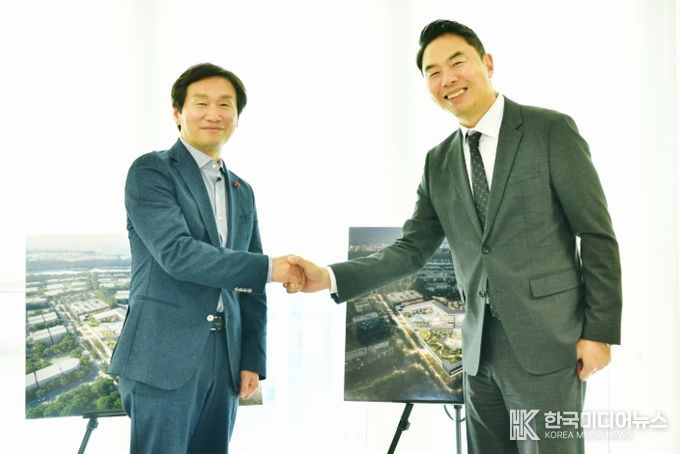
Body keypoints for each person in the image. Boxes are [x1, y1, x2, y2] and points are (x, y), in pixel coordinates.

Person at [288, 20, 622, 453]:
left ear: (487, 63)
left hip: (548, 348)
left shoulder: (550, 131)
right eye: (433, 72)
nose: (447, 78)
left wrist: (598, 333)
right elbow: (411, 250)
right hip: (478, 357)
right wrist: (330, 276)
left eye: (457, 62)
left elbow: (596, 235)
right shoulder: (438, 162)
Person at [108, 62, 304, 454]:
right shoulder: (151, 171)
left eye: (225, 105)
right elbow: (178, 254)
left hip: (225, 359)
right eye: (201, 103)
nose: (213, 114)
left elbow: (249, 288)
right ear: (177, 113)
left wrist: (252, 358)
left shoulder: (242, 190)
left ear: (237, 117)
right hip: (162, 357)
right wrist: (272, 268)